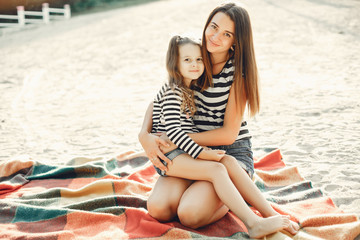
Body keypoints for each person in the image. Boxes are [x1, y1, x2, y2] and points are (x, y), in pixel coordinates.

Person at [138, 2, 299, 237]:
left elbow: (228, 135)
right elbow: (161, 97)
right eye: (213, 27)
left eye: (226, 34)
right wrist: (144, 135)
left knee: (191, 214)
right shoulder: (194, 56)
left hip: (228, 153)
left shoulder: (237, 73)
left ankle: (246, 205)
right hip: (189, 151)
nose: (215, 37)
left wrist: (177, 138)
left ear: (236, 41)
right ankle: (213, 189)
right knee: (159, 208)